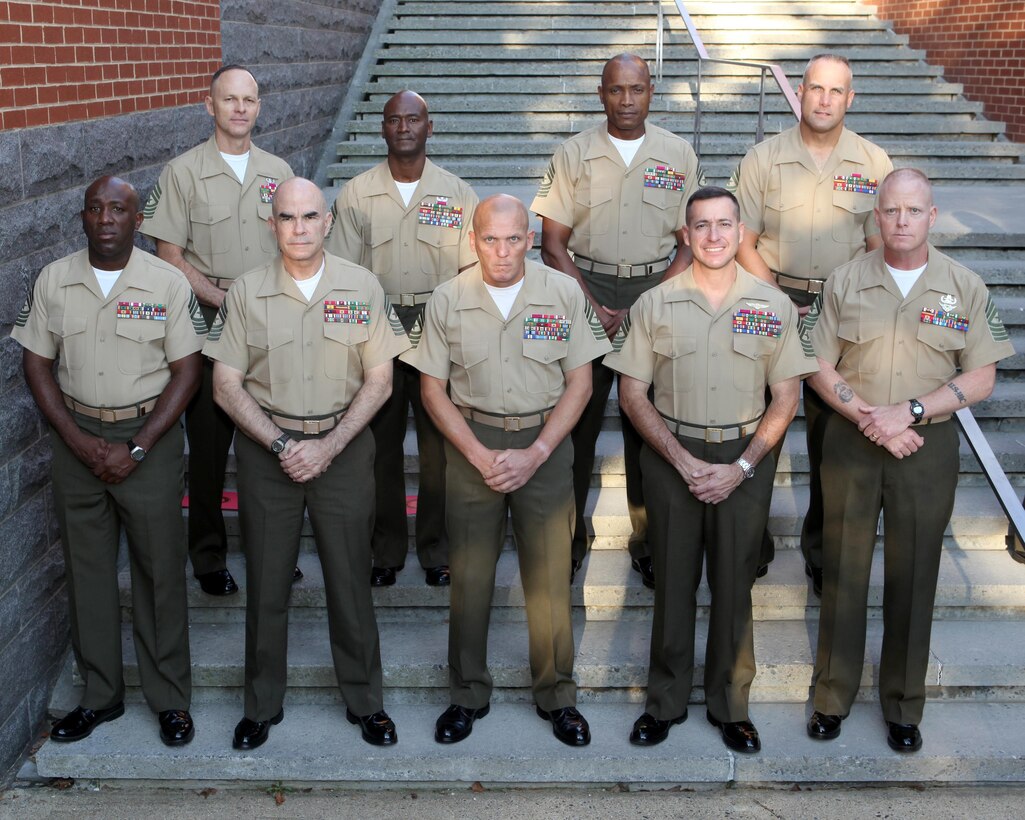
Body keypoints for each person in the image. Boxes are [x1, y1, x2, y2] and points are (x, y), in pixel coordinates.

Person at [802, 169, 1013, 753]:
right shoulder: (845, 281)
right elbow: (817, 364)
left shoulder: (964, 286)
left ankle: (902, 705)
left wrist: (911, 411)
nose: (901, 221)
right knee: (843, 572)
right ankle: (832, 696)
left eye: (913, 211)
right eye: (891, 210)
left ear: (932, 216)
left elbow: (982, 375)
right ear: (877, 215)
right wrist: (872, 415)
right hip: (853, 437)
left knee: (915, 575)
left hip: (927, 445)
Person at [605, 187, 817, 753]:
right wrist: (679, 458)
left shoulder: (771, 306)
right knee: (672, 584)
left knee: (733, 585)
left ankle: (730, 705)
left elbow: (786, 397)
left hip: (745, 457)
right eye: (702, 226)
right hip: (673, 455)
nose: (715, 236)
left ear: (741, 231)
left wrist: (744, 465)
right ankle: (665, 702)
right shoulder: (655, 303)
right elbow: (631, 393)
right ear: (687, 234)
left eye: (725, 225)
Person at [203, 178, 410, 750]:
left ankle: (366, 702)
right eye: (287, 217)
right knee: (267, 583)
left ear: (327, 223)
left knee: (349, 581)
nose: (298, 228)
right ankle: (261, 707)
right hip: (267, 450)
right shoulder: (246, 292)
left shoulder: (361, 286)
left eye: (309, 216)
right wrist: (279, 445)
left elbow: (380, 380)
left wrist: (329, 445)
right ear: (272, 225)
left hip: (341, 447)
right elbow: (224, 385)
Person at [404, 195, 611, 746]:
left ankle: (557, 696)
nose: (501, 251)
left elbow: (582, 384)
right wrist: (476, 454)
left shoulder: (563, 293)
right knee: (469, 579)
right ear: (473, 239)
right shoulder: (448, 298)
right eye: (490, 238)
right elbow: (431, 389)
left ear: (530, 238)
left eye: (514, 238)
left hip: (544, 445)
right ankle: (467, 694)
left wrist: (538, 453)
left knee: (547, 578)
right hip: (474, 444)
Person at [13, 176, 204, 747]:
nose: (106, 219)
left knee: (159, 572)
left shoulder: (166, 282)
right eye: (94, 209)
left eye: (117, 209)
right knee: (87, 572)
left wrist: (139, 446)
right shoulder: (54, 280)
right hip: (78, 438)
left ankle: (169, 699)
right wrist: (75, 440)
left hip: (149, 437)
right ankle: (101, 696)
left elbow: (188, 372)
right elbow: (36, 364)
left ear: (137, 219)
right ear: (83, 218)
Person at [530, 53, 702, 586]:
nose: (626, 100)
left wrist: (645, 304)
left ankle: (648, 539)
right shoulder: (572, 153)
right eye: (616, 90)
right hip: (585, 286)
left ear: (653, 92)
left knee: (645, 423)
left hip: (656, 290)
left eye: (637, 89)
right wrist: (590, 307)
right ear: (600, 94)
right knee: (575, 424)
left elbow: (690, 243)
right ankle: (568, 540)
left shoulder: (678, 154)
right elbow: (551, 244)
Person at [735, 52, 894, 590]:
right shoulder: (763, 158)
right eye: (816, 89)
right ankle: (747, 544)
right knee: (754, 430)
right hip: (769, 304)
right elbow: (741, 239)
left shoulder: (875, 164)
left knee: (835, 445)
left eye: (837, 92)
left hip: (842, 315)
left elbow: (882, 245)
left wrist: (848, 306)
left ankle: (825, 554)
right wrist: (778, 297)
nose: (825, 100)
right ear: (800, 92)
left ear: (851, 100)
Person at [141, 64, 296, 596]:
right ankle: (208, 557)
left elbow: (297, 245)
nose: (239, 109)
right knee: (208, 451)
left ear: (258, 107)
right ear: (209, 106)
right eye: (228, 99)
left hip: (271, 327)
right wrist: (223, 298)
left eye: (248, 100)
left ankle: (273, 550)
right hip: (207, 328)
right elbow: (167, 254)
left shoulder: (279, 171)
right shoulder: (180, 173)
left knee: (271, 445)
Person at [327, 90, 478, 588]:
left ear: (429, 127)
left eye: (414, 119)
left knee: (441, 451)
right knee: (380, 449)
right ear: (383, 129)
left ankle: (437, 550)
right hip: (379, 329)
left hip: (439, 327)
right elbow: (343, 275)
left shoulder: (457, 194)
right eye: (394, 119)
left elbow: (474, 269)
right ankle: (386, 551)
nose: (404, 127)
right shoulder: (356, 194)